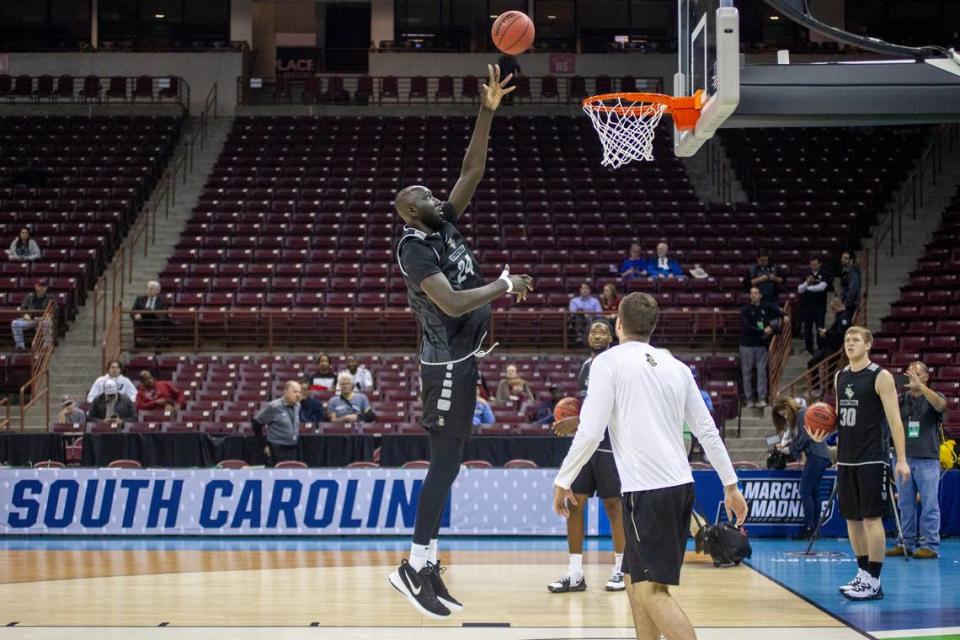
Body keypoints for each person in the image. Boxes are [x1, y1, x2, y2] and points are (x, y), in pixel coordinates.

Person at [389, 63, 531, 619]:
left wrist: (486, 110)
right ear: (408, 211)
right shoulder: (412, 248)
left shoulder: (441, 223)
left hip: (465, 357)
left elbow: (472, 169)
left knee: (450, 464)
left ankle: (428, 564)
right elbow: (449, 301)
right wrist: (503, 283)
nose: (432, 192)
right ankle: (412, 566)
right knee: (443, 464)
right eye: (422, 193)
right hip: (445, 365)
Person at [553, 293, 747, 640]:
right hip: (678, 486)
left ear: (618, 324)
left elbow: (591, 432)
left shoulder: (607, 363)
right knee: (634, 580)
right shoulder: (676, 367)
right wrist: (730, 485)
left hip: (649, 491)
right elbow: (707, 430)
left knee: (652, 592)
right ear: (653, 327)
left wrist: (563, 478)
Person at [806, 326, 910, 601]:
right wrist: (821, 433)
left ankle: (875, 580)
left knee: (871, 519)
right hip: (846, 459)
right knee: (852, 519)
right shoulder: (840, 376)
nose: (850, 344)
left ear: (868, 345)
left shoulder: (881, 376)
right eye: (847, 340)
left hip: (872, 457)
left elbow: (895, 420)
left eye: (855, 340)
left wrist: (901, 459)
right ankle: (863, 574)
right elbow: (838, 418)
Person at [549, 320, 626, 594]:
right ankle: (575, 573)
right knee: (574, 504)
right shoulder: (585, 367)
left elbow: (614, 405)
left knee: (614, 506)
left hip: (608, 446)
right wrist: (571, 415)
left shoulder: (616, 364)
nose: (597, 334)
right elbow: (589, 405)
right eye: (593, 330)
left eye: (603, 330)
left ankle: (621, 571)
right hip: (585, 446)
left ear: (612, 337)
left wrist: (577, 420)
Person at [887, 361, 947, 559]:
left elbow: (941, 406)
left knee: (929, 504)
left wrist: (921, 388)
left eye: (917, 374)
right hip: (903, 458)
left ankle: (930, 545)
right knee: (905, 504)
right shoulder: (901, 399)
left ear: (926, 377)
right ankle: (905, 542)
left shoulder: (935, 397)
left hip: (927, 458)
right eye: (909, 373)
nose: (912, 377)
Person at [772, 396, 832, 539]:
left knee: (805, 491)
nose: (785, 418)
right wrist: (790, 445)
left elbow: (805, 438)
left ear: (788, 408)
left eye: (785, 414)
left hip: (816, 456)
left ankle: (809, 528)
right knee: (814, 493)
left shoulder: (801, 414)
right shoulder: (803, 413)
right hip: (822, 456)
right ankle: (815, 529)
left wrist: (790, 448)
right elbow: (804, 438)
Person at [739, 286, 778, 408]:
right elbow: (747, 327)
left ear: (760, 295)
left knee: (762, 372)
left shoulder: (765, 308)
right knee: (747, 373)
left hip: (761, 345)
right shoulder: (745, 310)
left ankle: (762, 399)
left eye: (755, 293)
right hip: (747, 345)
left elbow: (777, 316)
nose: (753, 295)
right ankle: (749, 399)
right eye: (751, 293)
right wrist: (763, 331)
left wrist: (772, 327)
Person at [251, 381, 302, 465]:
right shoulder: (274, 406)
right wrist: (263, 445)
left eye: (299, 392)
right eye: (295, 392)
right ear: (285, 391)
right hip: (277, 449)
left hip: (293, 448)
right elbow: (256, 423)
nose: (298, 395)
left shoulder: (298, 405)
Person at [807, 298, 852, 393]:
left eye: (833, 309)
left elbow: (840, 334)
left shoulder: (845, 317)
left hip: (836, 348)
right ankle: (817, 389)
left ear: (836, 306)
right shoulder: (840, 317)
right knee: (812, 362)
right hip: (829, 347)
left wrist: (827, 332)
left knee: (829, 370)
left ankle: (825, 392)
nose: (832, 312)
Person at [797, 256, 830, 355]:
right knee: (807, 328)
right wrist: (807, 282)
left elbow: (822, 287)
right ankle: (809, 349)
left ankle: (821, 348)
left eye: (815, 264)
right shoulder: (806, 274)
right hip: (807, 306)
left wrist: (808, 286)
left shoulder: (824, 274)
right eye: (811, 264)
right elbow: (800, 289)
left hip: (820, 306)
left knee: (820, 327)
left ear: (819, 264)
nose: (813, 266)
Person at [11, 281, 55, 351]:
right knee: (15, 323)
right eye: (40, 286)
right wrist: (25, 315)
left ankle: (47, 346)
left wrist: (47, 315)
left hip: (43, 319)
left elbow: (55, 309)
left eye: (44, 286)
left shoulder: (50, 298)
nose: (42, 288)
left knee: (47, 322)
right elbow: (23, 309)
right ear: (36, 287)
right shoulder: (29, 297)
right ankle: (20, 346)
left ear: (46, 288)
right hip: (30, 319)